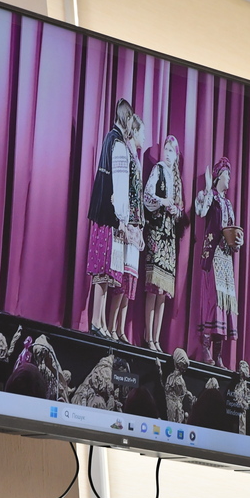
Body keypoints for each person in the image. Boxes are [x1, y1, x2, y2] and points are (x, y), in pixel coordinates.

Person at [86, 98, 134, 339]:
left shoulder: (110, 139)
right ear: (127, 119)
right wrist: (122, 218)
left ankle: (101, 321)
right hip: (109, 214)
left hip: (104, 211)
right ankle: (96, 320)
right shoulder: (118, 144)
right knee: (103, 269)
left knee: (105, 272)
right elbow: (121, 184)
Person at [194, 156, 243, 368]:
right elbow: (200, 211)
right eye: (227, 174)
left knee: (225, 302)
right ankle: (205, 347)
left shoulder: (229, 204)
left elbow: (232, 231)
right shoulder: (210, 197)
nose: (229, 178)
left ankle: (218, 353)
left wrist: (238, 242)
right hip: (213, 255)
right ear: (218, 176)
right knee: (213, 300)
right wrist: (206, 188)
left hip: (226, 257)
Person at [142, 135, 184, 352]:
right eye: (166, 149)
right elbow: (147, 196)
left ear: (176, 156)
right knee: (153, 287)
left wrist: (176, 210)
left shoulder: (176, 179)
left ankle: (157, 339)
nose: (167, 154)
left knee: (163, 292)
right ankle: (148, 336)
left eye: (171, 151)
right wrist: (162, 201)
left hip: (169, 238)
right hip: (157, 232)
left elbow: (180, 209)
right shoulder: (157, 170)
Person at [107, 115, 147, 344]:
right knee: (121, 278)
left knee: (130, 278)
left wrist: (140, 225)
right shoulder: (127, 153)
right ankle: (111, 326)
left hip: (135, 224)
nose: (144, 137)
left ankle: (120, 329)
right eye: (142, 132)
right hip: (126, 221)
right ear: (135, 132)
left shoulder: (136, 157)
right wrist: (124, 219)